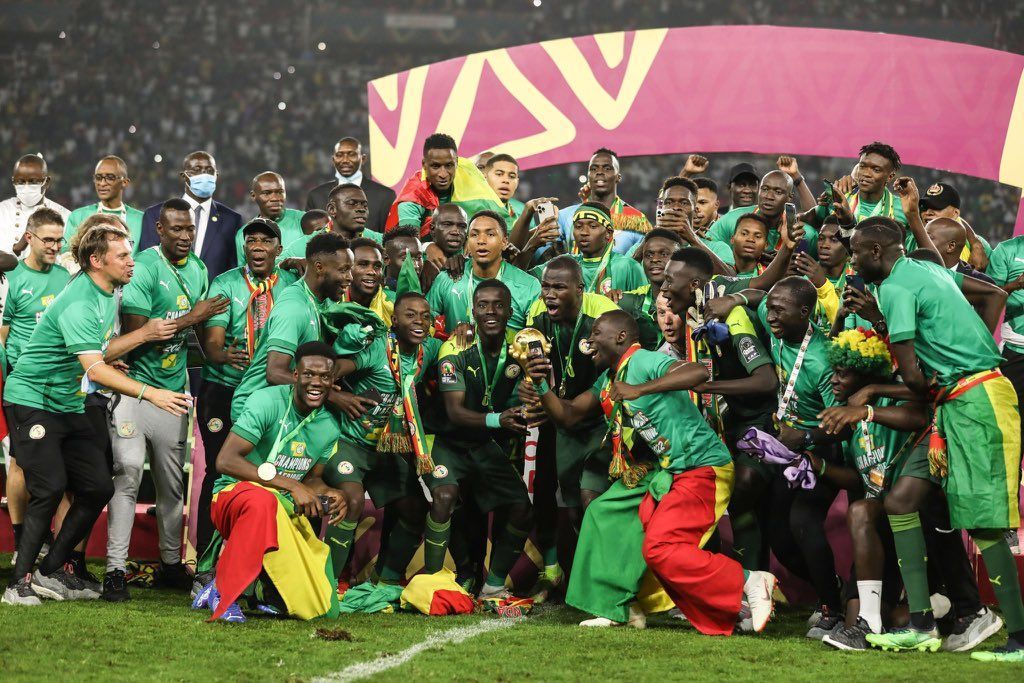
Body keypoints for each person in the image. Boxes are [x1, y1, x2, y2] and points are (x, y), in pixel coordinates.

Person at [527, 309, 778, 634]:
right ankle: (620, 607)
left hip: (701, 466)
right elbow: (570, 414)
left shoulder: (644, 361)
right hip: (664, 470)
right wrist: (540, 385)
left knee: (661, 547)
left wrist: (640, 390)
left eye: (596, 333)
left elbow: (697, 372)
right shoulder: (610, 378)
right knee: (603, 513)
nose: (589, 341)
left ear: (620, 337)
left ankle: (749, 581)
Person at [849, 218, 1024, 662]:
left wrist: (873, 393)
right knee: (902, 500)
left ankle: (1019, 638)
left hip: (976, 402)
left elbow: (910, 376)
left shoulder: (892, 288)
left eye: (855, 252)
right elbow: (992, 294)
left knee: (984, 522)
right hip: (956, 400)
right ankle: (921, 625)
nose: (851, 260)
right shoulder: (928, 269)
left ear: (873, 252)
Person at [2, 224, 191, 606]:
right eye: (122, 255)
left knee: (98, 486)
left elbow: (100, 351)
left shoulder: (107, 291)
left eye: (130, 253)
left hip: (66, 403)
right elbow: (94, 368)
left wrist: (132, 341)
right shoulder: (81, 300)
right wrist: (151, 392)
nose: (130, 262)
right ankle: (17, 583)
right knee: (51, 486)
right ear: (96, 261)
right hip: (32, 399)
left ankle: (49, 572)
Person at [815, 329, 999, 653]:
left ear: (866, 375)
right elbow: (860, 480)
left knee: (902, 620)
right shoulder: (845, 413)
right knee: (859, 513)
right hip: (878, 525)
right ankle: (868, 622)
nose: (834, 380)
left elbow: (916, 417)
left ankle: (939, 606)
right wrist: (819, 466)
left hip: (913, 524)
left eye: (843, 373)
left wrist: (868, 409)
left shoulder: (888, 399)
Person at [104, 198, 228, 601]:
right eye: (176, 229)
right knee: (126, 476)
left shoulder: (199, 269)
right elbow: (138, 334)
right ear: (159, 229)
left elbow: (196, 333)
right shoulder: (144, 269)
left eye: (189, 229)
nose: (184, 236)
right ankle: (115, 571)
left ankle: (171, 564)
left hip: (174, 393)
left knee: (173, 485)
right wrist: (193, 318)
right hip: (133, 390)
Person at [193, 342, 345, 622]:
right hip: (232, 496)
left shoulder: (329, 426)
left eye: (324, 377)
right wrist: (290, 484)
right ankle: (223, 591)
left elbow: (313, 479)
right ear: (296, 375)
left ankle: (267, 592)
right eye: (309, 374)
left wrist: (330, 492)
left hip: (280, 510)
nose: (316, 382)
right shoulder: (266, 401)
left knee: (323, 607)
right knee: (263, 501)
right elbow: (226, 461)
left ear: (333, 381)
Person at [659, 249, 779, 572]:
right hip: (730, 422)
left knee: (743, 489)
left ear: (695, 283)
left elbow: (766, 381)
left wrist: (709, 388)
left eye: (672, 279)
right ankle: (743, 585)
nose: (664, 285)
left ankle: (751, 583)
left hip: (762, 422)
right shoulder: (695, 315)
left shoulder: (730, 314)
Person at [195, 217, 298, 576]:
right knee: (217, 473)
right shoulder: (225, 282)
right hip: (222, 390)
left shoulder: (291, 287)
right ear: (244, 248)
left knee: (264, 474)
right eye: (251, 240)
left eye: (266, 241)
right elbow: (212, 340)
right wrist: (221, 354)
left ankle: (259, 571)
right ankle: (207, 568)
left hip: (270, 396)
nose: (257, 246)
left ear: (278, 250)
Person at [322, 292, 440, 585]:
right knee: (350, 500)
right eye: (410, 315)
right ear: (395, 320)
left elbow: (455, 351)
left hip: (384, 450)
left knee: (415, 508)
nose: (419, 321)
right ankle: (328, 585)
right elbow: (332, 371)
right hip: (349, 443)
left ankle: (383, 583)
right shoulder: (377, 347)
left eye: (425, 316)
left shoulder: (430, 350)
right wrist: (337, 395)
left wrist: (463, 334)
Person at [426, 280, 533, 600]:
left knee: (521, 509)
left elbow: (532, 393)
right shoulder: (453, 350)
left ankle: (494, 584)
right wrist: (498, 419)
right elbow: (455, 412)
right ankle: (435, 582)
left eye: (498, 305)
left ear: (510, 311)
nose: (490, 311)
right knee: (446, 497)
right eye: (483, 305)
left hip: (486, 445)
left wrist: (531, 398)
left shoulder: (520, 349)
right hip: (449, 442)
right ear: (472, 311)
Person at [521, 256, 619, 595]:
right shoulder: (536, 315)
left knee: (594, 498)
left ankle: (608, 580)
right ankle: (571, 579)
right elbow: (531, 368)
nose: (549, 294)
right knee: (564, 500)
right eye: (546, 286)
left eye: (559, 287)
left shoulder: (602, 316)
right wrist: (530, 388)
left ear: (580, 289)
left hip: (602, 417)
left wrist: (546, 396)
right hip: (562, 414)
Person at [756, 276, 846, 637]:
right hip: (785, 447)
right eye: (771, 308)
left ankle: (832, 610)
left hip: (821, 447)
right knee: (777, 533)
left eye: (780, 310)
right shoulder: (771, 319)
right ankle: (834, 586)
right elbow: (757, 297)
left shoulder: (822, 359)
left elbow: (843, 423)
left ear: (805, 313)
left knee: (803, 521)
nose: (771, 316)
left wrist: (806, 436)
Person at [1, 208, 71, 573]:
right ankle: (20, 540)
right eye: (48, 240)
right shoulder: (12, 278)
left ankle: (53, 548)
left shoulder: (65, 277)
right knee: (19, 461)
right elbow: (4, 334)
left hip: (59, 385)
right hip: (23, 384)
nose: (55, 247)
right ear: (29, 237)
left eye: (59, 240)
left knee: (56, 464)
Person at [230, 232, 354, 421]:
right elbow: (275, 372)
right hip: (256, 408)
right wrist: (332, 396)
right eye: (344, 269)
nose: (350, 277)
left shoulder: (324, 303)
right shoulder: (293, 307)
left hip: (286, 404)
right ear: (319, 267)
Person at [427, 210, 539, 336]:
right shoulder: (447, 278)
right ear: (468, 242)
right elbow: (426, 323)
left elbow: (536, 337)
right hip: (456, 353)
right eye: (474, 235)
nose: (481, 240)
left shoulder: (529, 285)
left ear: (504, 242)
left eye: (490, 234)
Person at [139, 151, 243, 279]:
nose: (204, 174)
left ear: (217, 176)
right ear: (184, 176)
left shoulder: (231, 220)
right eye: (197, 169)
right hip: (166, 295)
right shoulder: (155, 214)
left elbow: (233, 269)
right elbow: (148, 263)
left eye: (209, 170)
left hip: (215, 297)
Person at [385, 133, 505, 236]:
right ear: (424, 164)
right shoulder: (413, 195)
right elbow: (409, 245)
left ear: (457, 163)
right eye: (435, 166)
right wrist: (428, 247)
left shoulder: (470, 179)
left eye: (449, 166)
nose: (443, 174)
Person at [557, 148, 651, 255]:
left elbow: (641, 264)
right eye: (594, 169)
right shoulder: (565, 216)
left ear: (618, 177)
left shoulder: (637, 221)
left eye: (607, 168)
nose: (600, 172)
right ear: (588, 175)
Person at [543, 202, 645, 296]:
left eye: (592, 226)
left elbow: (645, 309)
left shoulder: (628, 266)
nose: (584, 232)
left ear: (608, 233)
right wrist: (532, 246)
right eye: (578, 226)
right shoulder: (565, 264)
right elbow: (528, 283)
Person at [707, 169, 818, 255]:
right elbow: (703, 248)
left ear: (789, 197)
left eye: (778, 192)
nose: (769, 196)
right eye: (764, 189)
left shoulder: (805, 234)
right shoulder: (732, 220)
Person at [304, 137, 396, 233]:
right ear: (333, 159)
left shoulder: (385, 195)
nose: (345, 160)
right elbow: (309, 234)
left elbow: (388, 237)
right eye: (339, 155)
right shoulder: (316, 196)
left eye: (351, 155)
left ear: (363, 159)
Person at [64, 156, 144, 251]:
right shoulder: (78, 216)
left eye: (110, 178)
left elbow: (147, 257)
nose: (102, 183)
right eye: (98, 178)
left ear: (124, 182)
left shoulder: (141, 220)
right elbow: (67, 254)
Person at [0, 154, 70, 257]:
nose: (26, 187)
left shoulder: (65, 216)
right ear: (13, 181)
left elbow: (67, 258)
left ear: (46, 182)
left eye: (33, 181)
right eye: (20, 182)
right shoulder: (2, 211)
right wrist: (16, 249)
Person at [232, 172, 306, 264]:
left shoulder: (303, 220)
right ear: (253, 196)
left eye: (280, 192)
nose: (275, 198)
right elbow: (242, 274)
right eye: (267, 193)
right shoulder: (243, 235)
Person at [919, 182, 991, 264]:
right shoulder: (912, 234)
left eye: (937, 207)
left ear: (955, 213)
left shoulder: (979, 246)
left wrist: (975, 243)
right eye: (924, 207)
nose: (928, 212)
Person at [925, 217, 994, 283]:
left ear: (951, 246)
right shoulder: (917, 269)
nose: (922, 239)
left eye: (929, 237)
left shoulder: (981, 283)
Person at [346, 237, 393, 327]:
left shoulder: (394, 304)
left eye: (377, 266)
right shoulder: (331, 303)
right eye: (363, 264)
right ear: (348, 267)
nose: (371, 272)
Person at [382, 226, 424, 296]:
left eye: (418, 258)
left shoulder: (429, 286)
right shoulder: (381, 297)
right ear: (386, 259)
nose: (415, 266)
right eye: (406, 259)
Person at [484, 153, 525, 223]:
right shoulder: (468, 209)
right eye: (499, 174)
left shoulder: (522, 211)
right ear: (485, 178)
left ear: (517, 183)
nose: (506, 180)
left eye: (512, 176)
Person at [730, 213, 771, 279]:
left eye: (758, 236)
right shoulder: (717, 270)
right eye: (744, 234)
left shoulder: (771, 278)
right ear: (732, 239)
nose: (750, 239)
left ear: (766, 245)